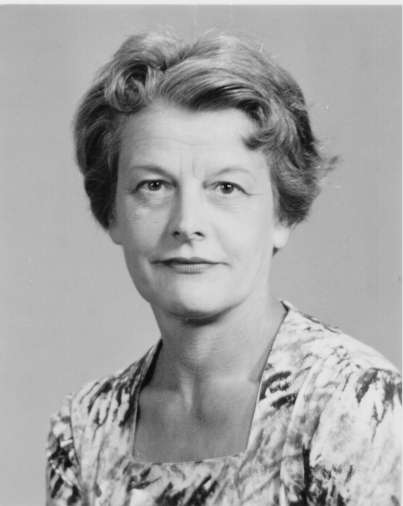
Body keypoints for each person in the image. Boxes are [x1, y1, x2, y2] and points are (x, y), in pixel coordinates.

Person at [46, 32, 401, 505]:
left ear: (282, 215)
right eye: (154, 186)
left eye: (226, 188)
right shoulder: (85, 430)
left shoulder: (351, 404)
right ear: (111, 213)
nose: (187, 223)